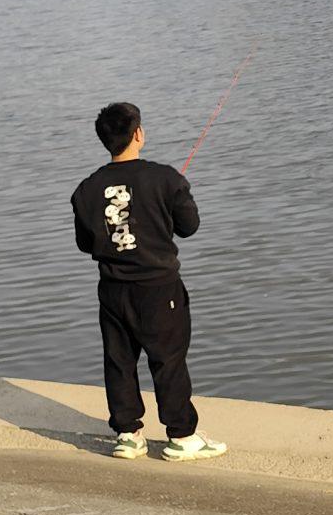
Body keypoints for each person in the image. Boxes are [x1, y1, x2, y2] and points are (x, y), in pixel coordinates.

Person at [72, 101, 226, 462]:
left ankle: (128, 435)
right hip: (159, 289)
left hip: (112, 291)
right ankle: (182, 436)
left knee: (119, 360)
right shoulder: (166, 178)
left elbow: (84, 243)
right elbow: (189, 227)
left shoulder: (85, 190)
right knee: (168, 359)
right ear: (138, 133)